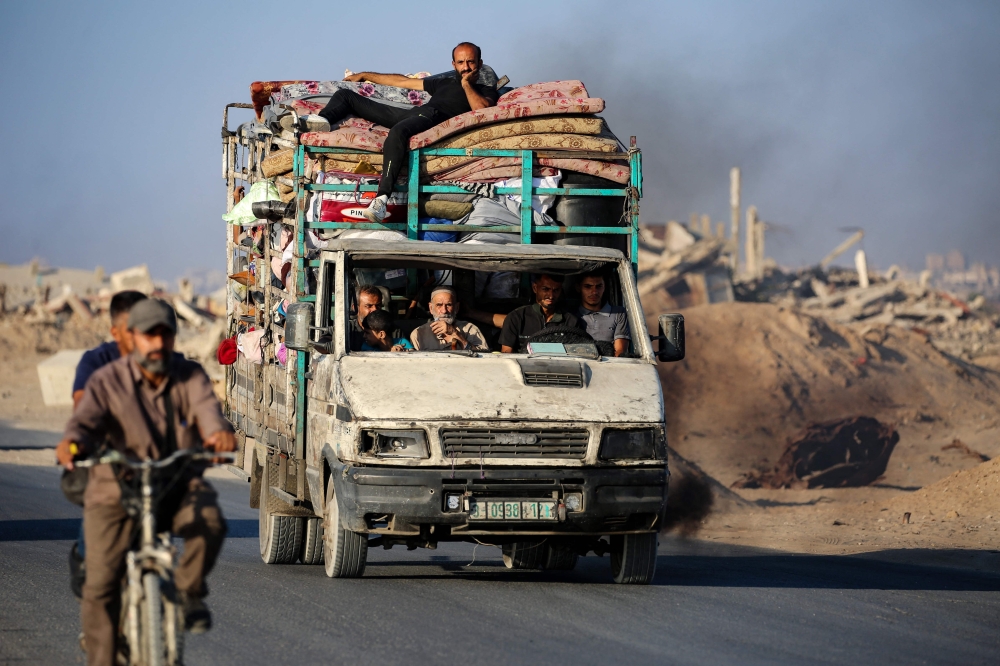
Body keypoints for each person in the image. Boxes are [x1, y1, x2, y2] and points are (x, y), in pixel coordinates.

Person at [56, 299, 236, 666]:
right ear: (132, 338)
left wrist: (218, 435)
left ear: (173, 338)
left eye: (164, 335)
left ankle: (187, 592)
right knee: (100, 587)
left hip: (176, 485)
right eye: (148, 335)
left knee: (210, 522)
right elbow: (84, 421)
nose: (157, 344)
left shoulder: (190, 376)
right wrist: (72, 443)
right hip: (115, 491)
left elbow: (207, 411)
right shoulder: (108, 380)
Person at [310, 42, 498, 223]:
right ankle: (321, 121)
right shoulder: (443, 83)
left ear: (479, 63)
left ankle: (381, 199)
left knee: (398, 132)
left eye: (471, 62)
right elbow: (404, 81)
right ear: (453, 64)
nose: (465, 67)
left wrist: (466, 84)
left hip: (433, 118)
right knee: (345, 96)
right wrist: (364, 75)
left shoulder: (485, 90)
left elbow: (480, 110)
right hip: (414, 114)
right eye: (460, 62)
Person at [72, 290, 149, 407]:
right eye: (132, 330)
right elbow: (82, 410)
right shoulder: (97, 361)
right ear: (115, 333)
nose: (142, 335)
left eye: (147, 326)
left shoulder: (163, 358)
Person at [498, 274, 579, 353]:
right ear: (535, 288)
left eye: (556, 290)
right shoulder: (516, 317)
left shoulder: (570, 321)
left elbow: (576, 355)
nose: (551, 295)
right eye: (545, 289)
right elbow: (506, 354)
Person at [410, 287, 489, 351]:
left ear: (456, 308)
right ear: (431, 308)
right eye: (439, 305)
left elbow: (484, 358)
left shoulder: (469, 329)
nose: (444, 310)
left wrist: (456, 334)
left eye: (449, 305)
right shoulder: (418, 334)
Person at [575, 271, 630, 357]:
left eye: (599, 286)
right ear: (578, 288)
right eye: (588, 287)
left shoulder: (619, 313)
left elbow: (620, 352)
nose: (594, 292)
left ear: (604, 287)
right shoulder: (570, 315)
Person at [350, 285, 385, 351]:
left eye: (378, 305)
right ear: (355, 308)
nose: (375, 310)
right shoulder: (347, 330)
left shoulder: (393, 330)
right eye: (369, 306)